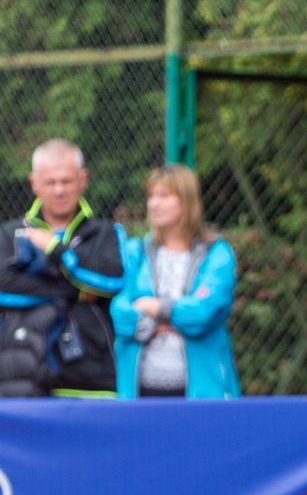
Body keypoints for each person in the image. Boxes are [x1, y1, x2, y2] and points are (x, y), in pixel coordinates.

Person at [0, 139, 125, 397]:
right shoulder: (9, 233)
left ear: (83, 179)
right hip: (19, 380)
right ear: (34, 182)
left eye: (67, 181)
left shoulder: (106, 233)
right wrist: (76, 290)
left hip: (90, 381)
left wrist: (56, 250)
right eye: (50, 182)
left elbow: (112, 281)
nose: (59, 190)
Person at [111, 165, 240, 399]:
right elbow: (119, 314)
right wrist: (163, 324)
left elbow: (201, 314)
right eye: (151, 196)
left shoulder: (217, 254)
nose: (154, 204)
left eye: (164, 196)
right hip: (140, 393)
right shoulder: (135, 252)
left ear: (186, 201)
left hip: (201, 396)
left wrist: (151, 306)